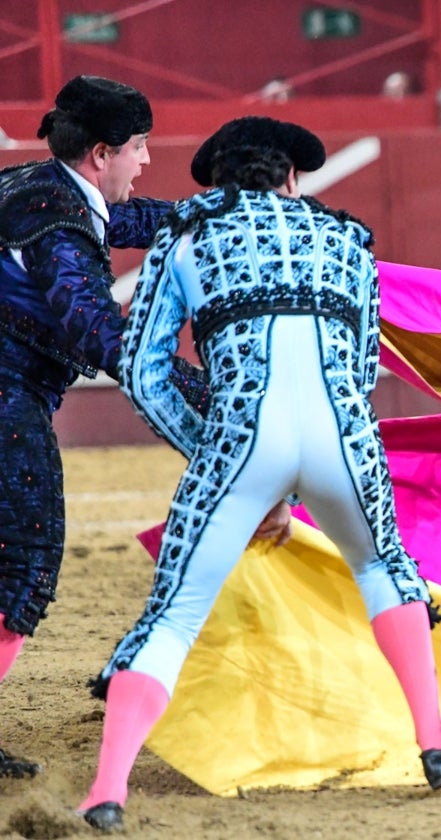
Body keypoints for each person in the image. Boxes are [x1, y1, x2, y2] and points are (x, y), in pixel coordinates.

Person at [76, 116, 441, 832]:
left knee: (175, 614)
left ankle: (106, 791)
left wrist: (222, 460)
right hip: (344, 437)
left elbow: (144, 375)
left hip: (242, 436)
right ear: (293, 178)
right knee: (384, 568)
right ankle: (434, 743)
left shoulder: (184, 239)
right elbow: (361, 369)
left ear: (217, 183)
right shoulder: (348, 242)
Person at [0, 75, 208, 780]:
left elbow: (127, 220)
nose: (145, 160)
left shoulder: (38, 189)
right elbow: (96, 333)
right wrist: (197, 387)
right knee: (25, 554)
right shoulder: (58, 221)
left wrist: (213, 212)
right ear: (99, 153)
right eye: (139, 147)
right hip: (4, 396)